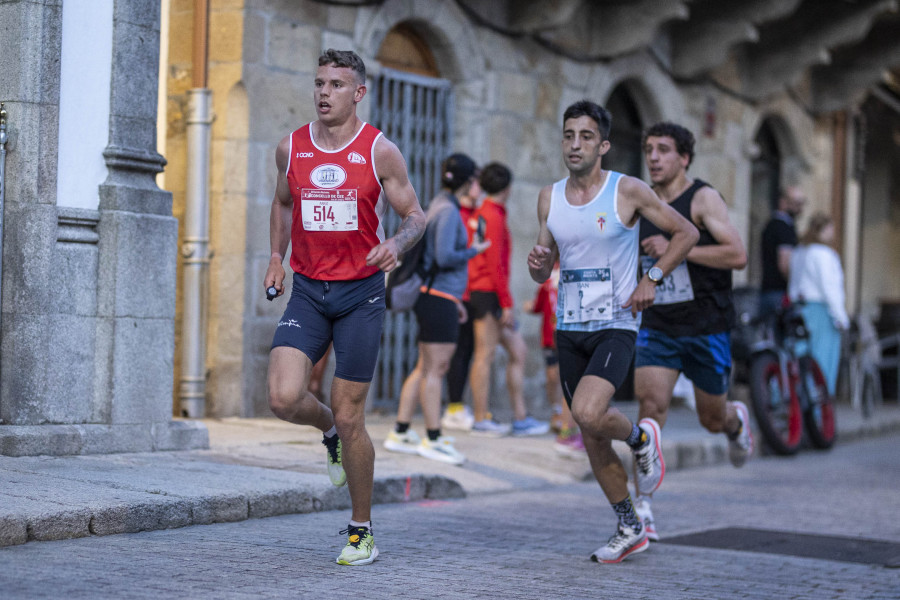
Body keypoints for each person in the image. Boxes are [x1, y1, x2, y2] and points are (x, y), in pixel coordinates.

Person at [264, 49, 425, 567]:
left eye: (336, 84)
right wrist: (276, 257)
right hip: (309, 289)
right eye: (319, 83)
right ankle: (326, 429)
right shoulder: (291, 148)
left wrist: (396, 245)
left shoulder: (380, 151)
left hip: (360, 294)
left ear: (358, 93)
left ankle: (361, 530)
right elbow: (283, 203)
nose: (324, 93)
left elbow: (415, 215)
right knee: (284, 398)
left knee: (354, 414)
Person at [527, 100, 699, 563]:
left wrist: (652, 278)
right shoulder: (550, 196)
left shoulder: (628, 190)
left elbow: (686, 233)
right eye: (568, 135)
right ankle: (630, 524)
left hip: (616, 324)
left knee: (587, 412)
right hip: (569, 326)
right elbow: (543, 267)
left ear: (603, 145)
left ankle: (641, 440)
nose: (575, 144)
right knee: (592, 433)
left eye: (585, 136)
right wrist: (539, 265)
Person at [632, 122, 754, 541]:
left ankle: (736, 422)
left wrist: (677, 250)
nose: (654, 157)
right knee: (651, 408)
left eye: (664, 150)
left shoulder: (702, 198)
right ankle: (642, 507)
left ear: (684, 158)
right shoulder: (641, 201)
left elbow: (737, 254)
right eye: (649, 149)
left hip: (706, 325)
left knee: (710, 418)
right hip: (659, 322)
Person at [383, 153, 490, 464]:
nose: (477, 188)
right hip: (438, 297)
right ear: (469, 182)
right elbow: (443, 257)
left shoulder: (439, 206)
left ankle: (401, 431)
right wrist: (474, 250)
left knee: (424, 367)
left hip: (438, 298)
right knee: (436, 370)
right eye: (475, 181)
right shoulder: (448, 212)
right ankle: (433, 437)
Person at [467, 163, 550, 436]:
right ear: (507, 187)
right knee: (485, 354)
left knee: (518, 352)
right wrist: (506, 303)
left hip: (486, 291)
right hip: (488, 293)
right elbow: (495, 264)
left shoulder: (484, 213)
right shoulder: (492, 215)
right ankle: (481, 417)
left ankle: (520, 417)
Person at [524, 262, 585, 455]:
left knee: (571, 376)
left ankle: (570, 427)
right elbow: (540, 304)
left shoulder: (579, 270)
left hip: (572, 331)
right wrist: (531, 307)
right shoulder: (548, 276)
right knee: (553, 375)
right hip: (550, 335)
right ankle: (558, 414)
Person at [788, 212, 849, 395]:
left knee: (796, 357)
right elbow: (830, 288)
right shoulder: (824, 253)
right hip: (819, 310)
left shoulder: (800, 251)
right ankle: (818, 410)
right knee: (821, 363)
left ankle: (790, 402)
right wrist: (841, 317)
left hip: (798, 307)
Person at [760, 185, 806, 315]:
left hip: (770, 291)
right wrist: (795, 287)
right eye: (797, 203)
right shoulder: (783, 227)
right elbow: (784, 264)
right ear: (783, 202)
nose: (800, 208)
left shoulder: (773, 224)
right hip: (779, 294)